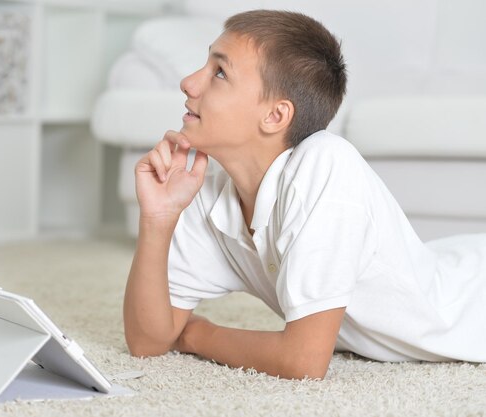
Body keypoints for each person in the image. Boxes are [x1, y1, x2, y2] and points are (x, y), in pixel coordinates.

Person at [122, 9, 486, 380]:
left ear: (276, 116)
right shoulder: (210, 190)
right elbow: (146, 342)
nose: (187, 82)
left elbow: (303, 362)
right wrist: (158, 218)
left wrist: (200, 334)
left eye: (219, 72)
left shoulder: (325, 164)